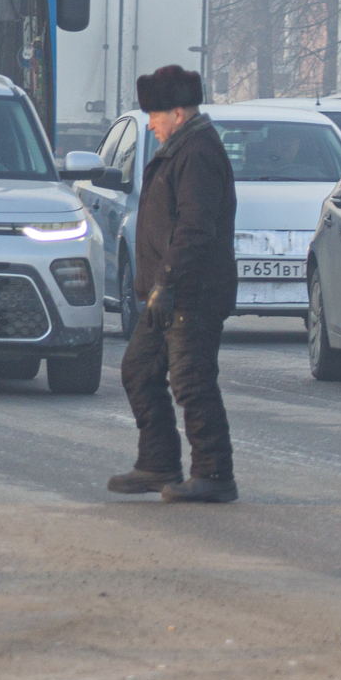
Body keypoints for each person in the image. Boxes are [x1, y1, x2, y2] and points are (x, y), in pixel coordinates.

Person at [109, 65, 240, 503]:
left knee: (192, 381)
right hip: (166, 294)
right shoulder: (181, 149)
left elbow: (194, 229)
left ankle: (214, 474)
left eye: (155, 115)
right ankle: (158, 463)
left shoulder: (198, 153)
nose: (150, 124)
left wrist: (167, 282)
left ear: (178, 113)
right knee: (139, 371)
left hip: (190, 293)